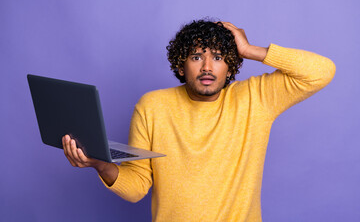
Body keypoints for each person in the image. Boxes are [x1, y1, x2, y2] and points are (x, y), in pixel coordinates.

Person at [62, 20, 336, 221]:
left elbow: (321, 71)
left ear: (231, 64)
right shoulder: (152, 106)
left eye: (218, 57)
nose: (207, 67)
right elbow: (136, 188)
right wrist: (99, 164)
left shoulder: (256, 98)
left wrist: (251, 49)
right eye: (196, 57)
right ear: (181, 65)